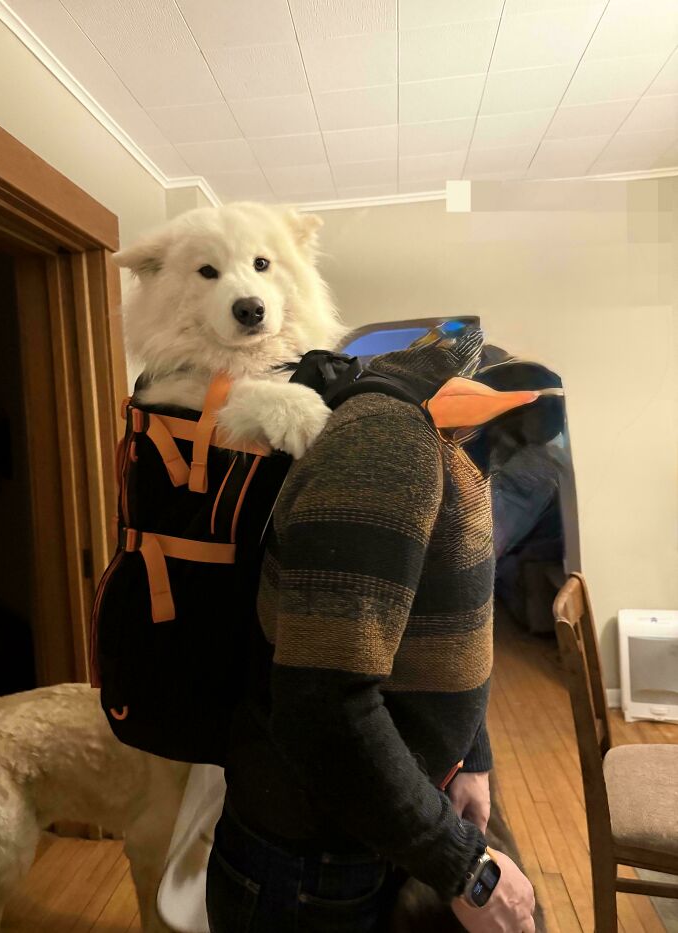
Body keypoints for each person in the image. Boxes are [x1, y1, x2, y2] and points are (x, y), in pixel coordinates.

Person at [205, 335, 537, 933]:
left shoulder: (442, 437)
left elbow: (442, 620)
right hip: (312, 864)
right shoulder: (385, 443)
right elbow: (324, 705)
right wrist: (469, 870)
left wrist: (471, 756)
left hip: (377, 828)